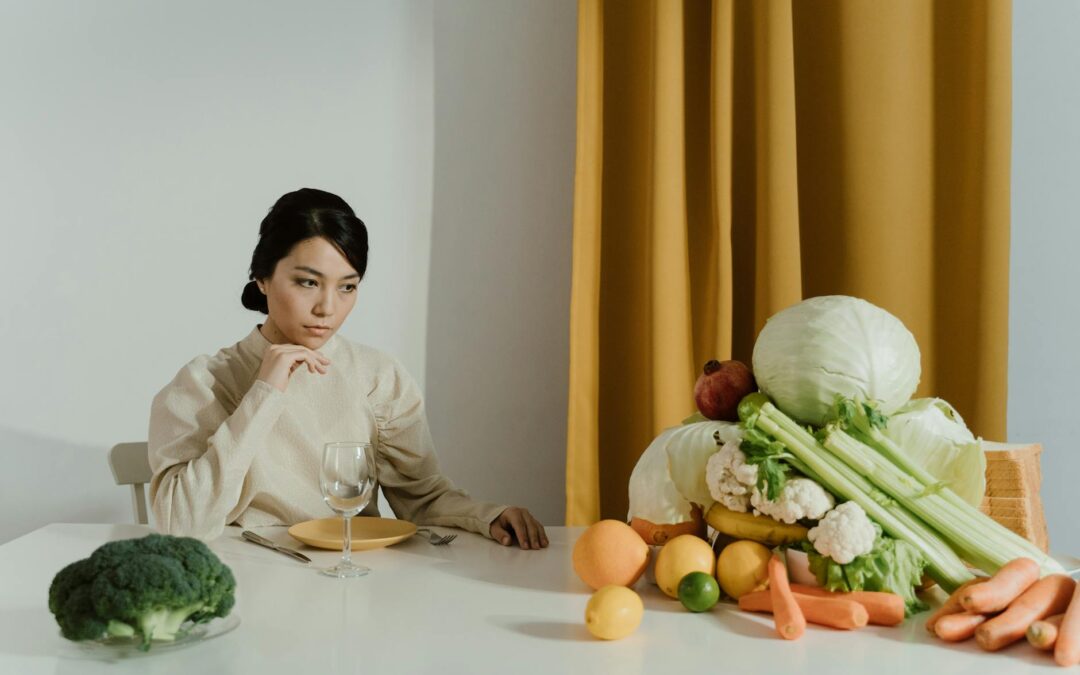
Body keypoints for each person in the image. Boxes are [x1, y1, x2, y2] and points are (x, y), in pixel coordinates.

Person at [148, 188, 548, 549]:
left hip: (356, 580)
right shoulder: (202, 384)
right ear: (263, 278)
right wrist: (264, 394)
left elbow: (421, 498)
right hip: (253, 581)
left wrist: (488, 516)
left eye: (347, 287)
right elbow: (181, 525)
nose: (327, 308)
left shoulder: (377, 376)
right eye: (308, 282)